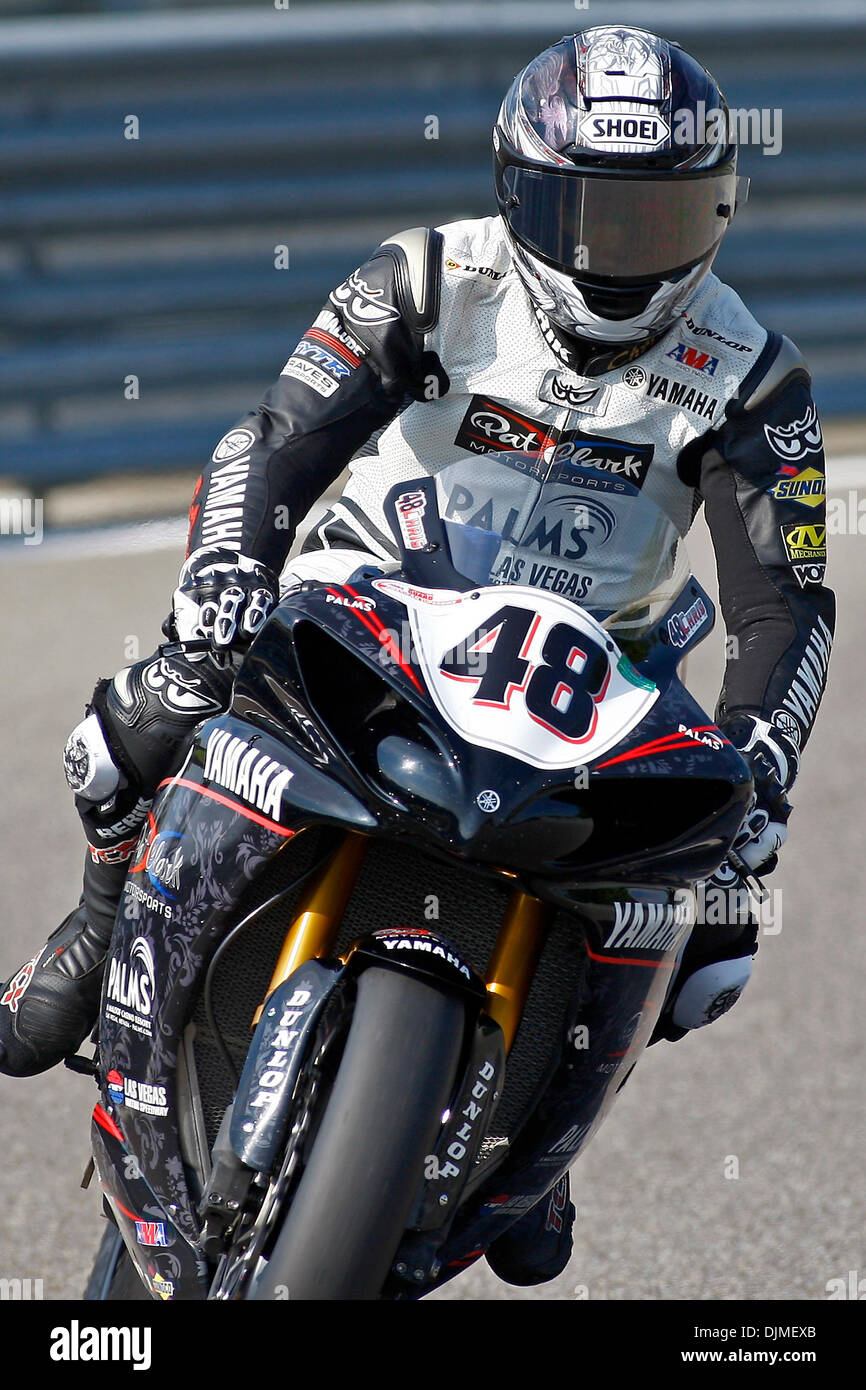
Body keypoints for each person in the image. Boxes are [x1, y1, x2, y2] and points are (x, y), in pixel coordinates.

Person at [0, 26, 835, 1287]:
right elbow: (273, 437)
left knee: (711, 930)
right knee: (140, 720)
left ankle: (534, 1138)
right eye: (591, 218)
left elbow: (787, 599)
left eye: (657, 220)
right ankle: (97, 924)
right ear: (519, 194)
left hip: (583, 675)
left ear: (714, 211)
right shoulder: (430, 277)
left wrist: (763, 758)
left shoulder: (753, 375)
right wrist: (225, 574)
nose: (623, 256)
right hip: (370, 596)